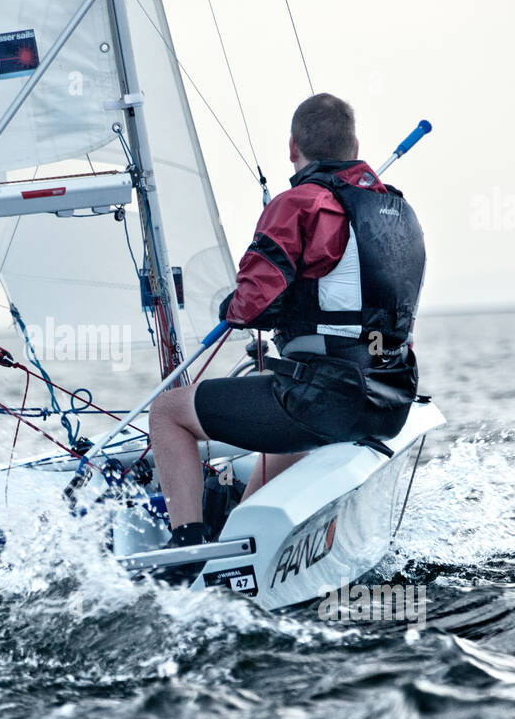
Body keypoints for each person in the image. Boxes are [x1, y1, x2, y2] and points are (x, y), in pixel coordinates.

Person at [147, 93, 426, 547]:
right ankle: (240, 536)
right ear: (355, 150)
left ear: (292, 147)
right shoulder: (400, 211)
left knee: (167, 413)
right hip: (390, 402)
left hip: (327, 401)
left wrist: (231, 308)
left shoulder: (300, 205)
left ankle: (186, 547)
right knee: (283, 422)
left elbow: (250, 306)